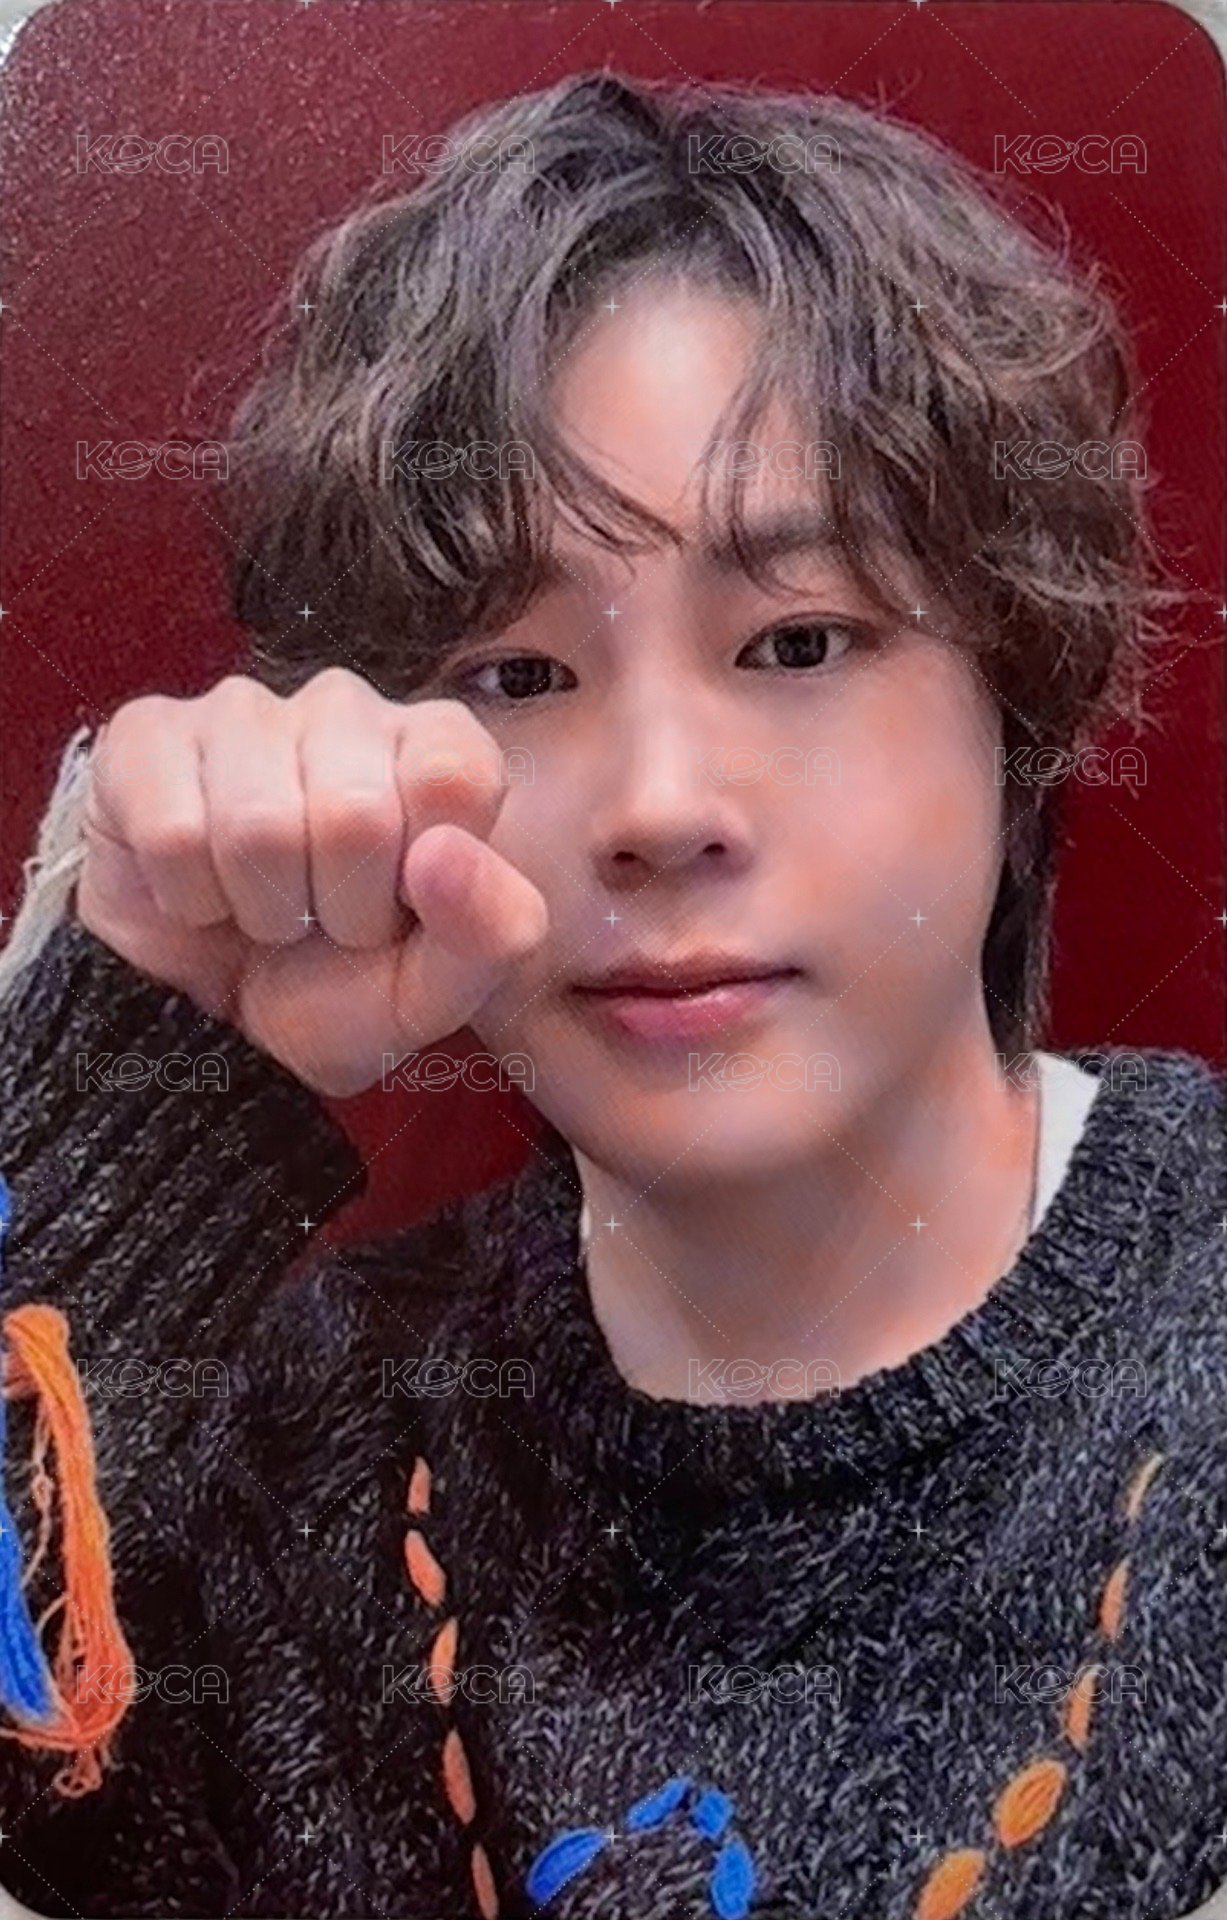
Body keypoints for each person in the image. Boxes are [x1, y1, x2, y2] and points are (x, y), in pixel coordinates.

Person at [0, 69, 1222, 1920]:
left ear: (1018, 700)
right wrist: (129, 1085)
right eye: (518, 675)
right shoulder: (293, 1450)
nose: (656, 807)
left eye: (797, 641)